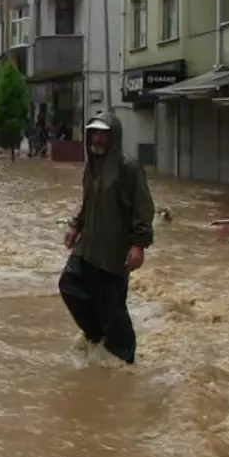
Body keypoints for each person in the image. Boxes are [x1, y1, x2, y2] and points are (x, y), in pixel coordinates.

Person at [59, 112, 154, 365]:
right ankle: (94, 334)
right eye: (94, 133)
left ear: (114, 137)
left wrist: (138, 245)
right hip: (88, 245)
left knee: (112, 308)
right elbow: (88, 202)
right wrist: (75, 226)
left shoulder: (128, 168)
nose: (98, 139)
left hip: (113, 252)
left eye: (103, 134)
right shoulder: (92, 166)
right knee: (69, 285)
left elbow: (142, 208)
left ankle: (125, 359)